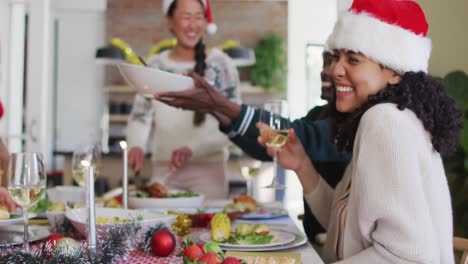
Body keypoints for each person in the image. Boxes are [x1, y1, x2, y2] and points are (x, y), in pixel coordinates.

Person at [260, 0, 461, 262]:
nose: (335, 70)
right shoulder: (390, 118)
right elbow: (345, 222)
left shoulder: (385, 120)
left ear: (394, 72)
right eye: (336, 58)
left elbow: (406, 256)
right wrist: (302, 164)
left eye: (353, 60)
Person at [156, 54, 351, 244]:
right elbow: (266, 148)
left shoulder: (353, 121)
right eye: (326, 63)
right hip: (317, 237)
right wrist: (213, 109)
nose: (326, 70)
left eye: (334, 63)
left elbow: (295, 135)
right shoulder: (318, 113)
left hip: (334, 242)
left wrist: (220, 103)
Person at [126, 0, 241, 199]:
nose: (193, 25)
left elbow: (233, 121)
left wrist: (193, 148)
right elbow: (140, 115)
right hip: (164, 172)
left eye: (198, 17)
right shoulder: (155, 65)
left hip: (209, 174)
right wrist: (136, 144)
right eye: (186, 17)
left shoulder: (222, 65)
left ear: (205, 22)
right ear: (169, 21)